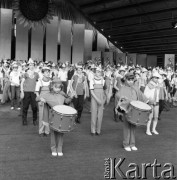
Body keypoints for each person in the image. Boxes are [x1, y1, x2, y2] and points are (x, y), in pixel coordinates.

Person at [37, 79, 71, 156]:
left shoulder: (62, 94)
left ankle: (59, 148)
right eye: (56, 87)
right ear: (52, 87)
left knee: (61, 133)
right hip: (53, 116)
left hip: (62, 116)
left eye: (59, 88)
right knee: (53, 133)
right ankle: (53, 148)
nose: (58, 89)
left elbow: (67, 101)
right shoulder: (47, 94)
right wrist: (40, 99)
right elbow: (37, 98)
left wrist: (71, 96)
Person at [115, 72, 148, 151]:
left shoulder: (135, 87)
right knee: (127, 127)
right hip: (127, 110)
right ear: (126, 79)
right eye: (129, 80)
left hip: (135, 110)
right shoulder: (123, 88)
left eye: (132, 80)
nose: (130, 81)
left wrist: (147, 101)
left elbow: (141, 95)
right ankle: (126, 144)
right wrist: (124, 100)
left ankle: (132, 143)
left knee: (133, 126)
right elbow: (118, 95)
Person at [20, 58, 39, 126]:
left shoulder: (36, 74)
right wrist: (22, 92)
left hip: (33, 92)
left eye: (32, 65)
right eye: (30, 65)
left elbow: (37, 83)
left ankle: (35, 120)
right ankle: (24, 120)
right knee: (25, 107)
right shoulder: (25, 74)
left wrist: (37, 93)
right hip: (26, 92)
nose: (31, 66)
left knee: (34, 107)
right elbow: (22, 83)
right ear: (28, 66)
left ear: (34, 65)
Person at [90, 66, 106, 136]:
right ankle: (93, 130)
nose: (99, 73)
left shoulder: (103, 80)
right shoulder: (92, 80)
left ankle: (98, 130)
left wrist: (104, 99)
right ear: (95, 72)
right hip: (94, 98)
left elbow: (104, 91)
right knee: (93, 114)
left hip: (101, 98)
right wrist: (97, 99)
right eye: (97, 71)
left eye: (100, 72)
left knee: (100, 115)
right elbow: (91, 91)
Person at [35, 66, 51, 136]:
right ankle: (41, 131)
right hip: (41, 100)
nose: (47, 73)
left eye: (48, 72)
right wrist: (40, 98)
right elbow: (36, 91)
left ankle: (47, 131)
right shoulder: (40, 80)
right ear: (43, 73)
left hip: (49, 100)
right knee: (41, 115)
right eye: (46, 72)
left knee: (48, 115)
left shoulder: (51, 81)